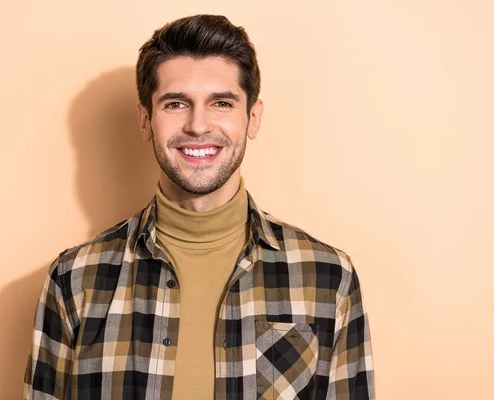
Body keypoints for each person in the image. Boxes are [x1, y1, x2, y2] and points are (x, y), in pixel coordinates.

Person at [23, 14, 375, 400]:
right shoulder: (74, 281)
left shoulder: (328, 278)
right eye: (176, 103)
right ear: (145, 121)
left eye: (221, 102)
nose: (197, 125)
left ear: (252, 118)